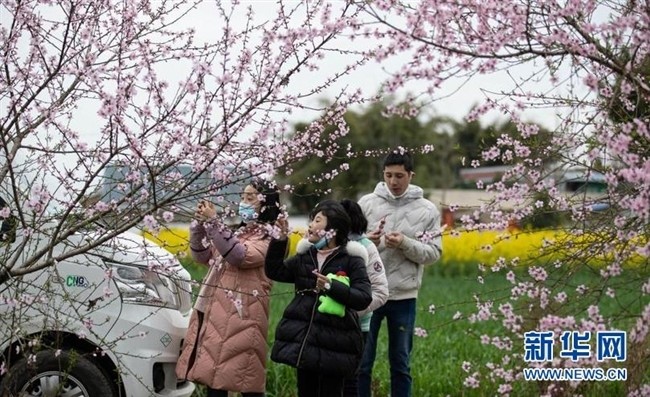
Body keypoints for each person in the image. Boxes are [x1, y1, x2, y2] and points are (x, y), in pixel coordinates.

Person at [175, 178, 281, 397]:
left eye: (250, 198)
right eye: (242, 197)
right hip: (219, 312)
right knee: (215, 378)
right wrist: (199, 227)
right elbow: (204, 256)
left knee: (243, 378)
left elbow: (239, 256)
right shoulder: (239, 233)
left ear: (266, 204)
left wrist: (214, 223)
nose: (244, 202)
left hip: (243, 316)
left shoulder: (269, 237)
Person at [265, 201, 372, 397]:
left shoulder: (351, 260)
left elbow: (363, 298)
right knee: (306, 391)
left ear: (333, 228)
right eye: (311, 220)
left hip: (335, 343)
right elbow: (275, 271)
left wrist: (332, 287)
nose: (310, 225)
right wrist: (279, 240)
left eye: (317, 220)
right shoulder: (306, 257)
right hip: (306, 341)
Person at [357, 150, 442, 397]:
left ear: (411, 175)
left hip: (404, 297)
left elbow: (434, 253)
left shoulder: (428, 210)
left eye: (400, 176)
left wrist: (405, 243)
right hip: (369, 294)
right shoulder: (366, 204)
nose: (393, 182)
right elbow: (349, 245)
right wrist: (368, 241)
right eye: (389, 175)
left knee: (401, 363)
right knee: (361, 362)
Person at [339, 199, 389, 397]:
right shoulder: (325, 246)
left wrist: (352, 311)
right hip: (326, 326)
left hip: (357, 326)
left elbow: (380, 292)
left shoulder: (366, 247)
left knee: (351, 380)